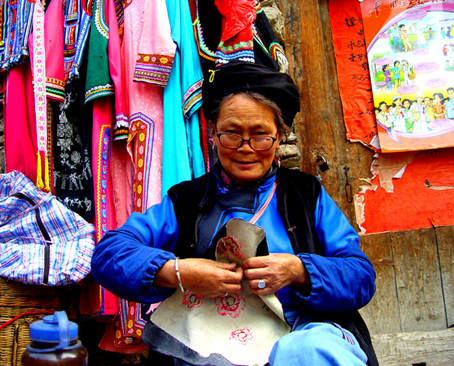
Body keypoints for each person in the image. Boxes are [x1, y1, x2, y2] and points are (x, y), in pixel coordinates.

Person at [91, 61, 377, 366]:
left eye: (260, 135)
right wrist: (179, 272)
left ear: (279, 135)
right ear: (212, 131)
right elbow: (108, 255)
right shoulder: (186, 201)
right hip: (212, 341)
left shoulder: (305, 194)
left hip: (304, 331)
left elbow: (360, 277)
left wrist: (298, 271)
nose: (245, 147)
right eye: (231, 133)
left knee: (306, 351)